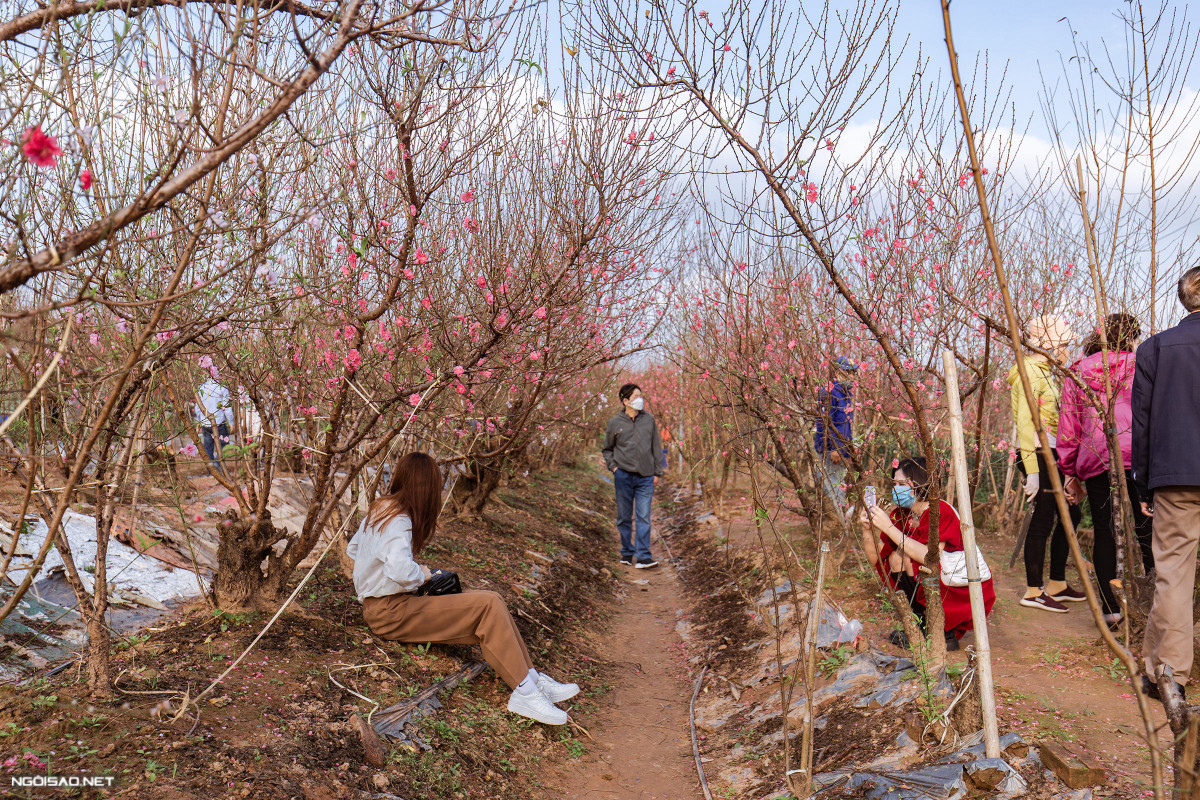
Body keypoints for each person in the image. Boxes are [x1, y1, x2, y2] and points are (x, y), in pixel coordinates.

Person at [347, 452, 579, 725]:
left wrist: (384, 577)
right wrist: (420, 575)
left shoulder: (382, 508)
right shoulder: (400, 519)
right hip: (391, 612)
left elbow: (354, 548)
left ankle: (532, 679)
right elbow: (398, 570)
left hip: (388, 607)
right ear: (428, 487)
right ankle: (525, 692)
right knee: (488, 605)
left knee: (492, 600)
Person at [1057, 313, 1153, 629]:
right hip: (1139, 452)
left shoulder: (1079, 371)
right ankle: (1156, 604)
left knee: (1105, 530)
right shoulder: (1141, 363)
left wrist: (1069, 471)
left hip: (1096, 456)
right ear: (1131, 336)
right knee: (1147, 525)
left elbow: (1069, 426)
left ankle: (1111, 612)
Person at [1133, 266, 1200, 699]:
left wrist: (1143, 483)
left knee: (1173, 573)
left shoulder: (1156, 348)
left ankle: (1169, 673)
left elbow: (1142, 423)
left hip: (1176, 474)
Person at [861, 456, 996, 652]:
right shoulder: (902, 513)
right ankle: (920, 621)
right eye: (894, 484)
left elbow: (928, 557)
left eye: (902, 484)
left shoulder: (939, 511)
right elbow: (878, 559)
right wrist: (867, 530)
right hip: (940, 582)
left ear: (919, 484)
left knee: (908, 557)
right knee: (895, 557)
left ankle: (941, 629)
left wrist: (889, 528)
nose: (896, 489)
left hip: (960, 587)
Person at [1007, 314, 1085, 613]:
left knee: (1072, 514)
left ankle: (1056, 583)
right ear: (1047, 344)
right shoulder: (1028, 371)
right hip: (1037, 453)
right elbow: (1026, 425)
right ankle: (1033, 590)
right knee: (1042, 522)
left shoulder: (1045, 370)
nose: (1068, 347)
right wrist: (1033, 471)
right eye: (1064, 342)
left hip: (1051, 452)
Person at [601, 383, 664, 569]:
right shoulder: (615, 423)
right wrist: (614, 468)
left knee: (644, 516)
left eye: (641, 396)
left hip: (646, 476)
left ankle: (644, 556)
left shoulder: (649, 420)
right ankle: (627, 553)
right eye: (636, 396)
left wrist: (657, 471)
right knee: (624, 516)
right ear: (626, 400)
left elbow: (656, 448)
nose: (640, 399)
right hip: (624, 476)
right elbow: (607, 449)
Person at [814, 356, 858, 514]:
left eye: (853, 373)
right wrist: (834, 448)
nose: (852, 376)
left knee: (840, 486)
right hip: (831, 450)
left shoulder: (846, 394)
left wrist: (848, 450)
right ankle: (836, 522)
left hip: (842, 450)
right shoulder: (829, 392)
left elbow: (846, 424)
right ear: (838, 371)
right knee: (832, 487)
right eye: (848, 372)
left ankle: (840, 520)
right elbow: (824, 423)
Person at [193, 373, 233, 474]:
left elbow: (198, 408)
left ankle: (212, 470)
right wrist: (231, 422)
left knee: (208, 447)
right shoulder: (222, 388)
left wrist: (199, 422)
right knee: (224, 445)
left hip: (206, 424)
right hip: (219, 423)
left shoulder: (201, 388)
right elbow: (227, 407)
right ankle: (219, 466)